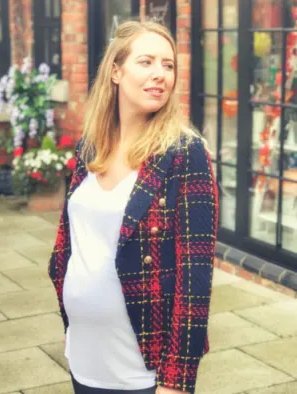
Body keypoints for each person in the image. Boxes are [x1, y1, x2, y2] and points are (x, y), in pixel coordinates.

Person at [48, 20, 218, 394]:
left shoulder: (184, 154)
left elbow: (195, 277)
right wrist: (73, 322)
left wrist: (176, 381)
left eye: (168, 65)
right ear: (115, 71)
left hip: (139, 369)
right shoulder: (90, 147)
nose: (160, 74)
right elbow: (69, 243)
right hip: (84, 355)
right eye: (146, 62)